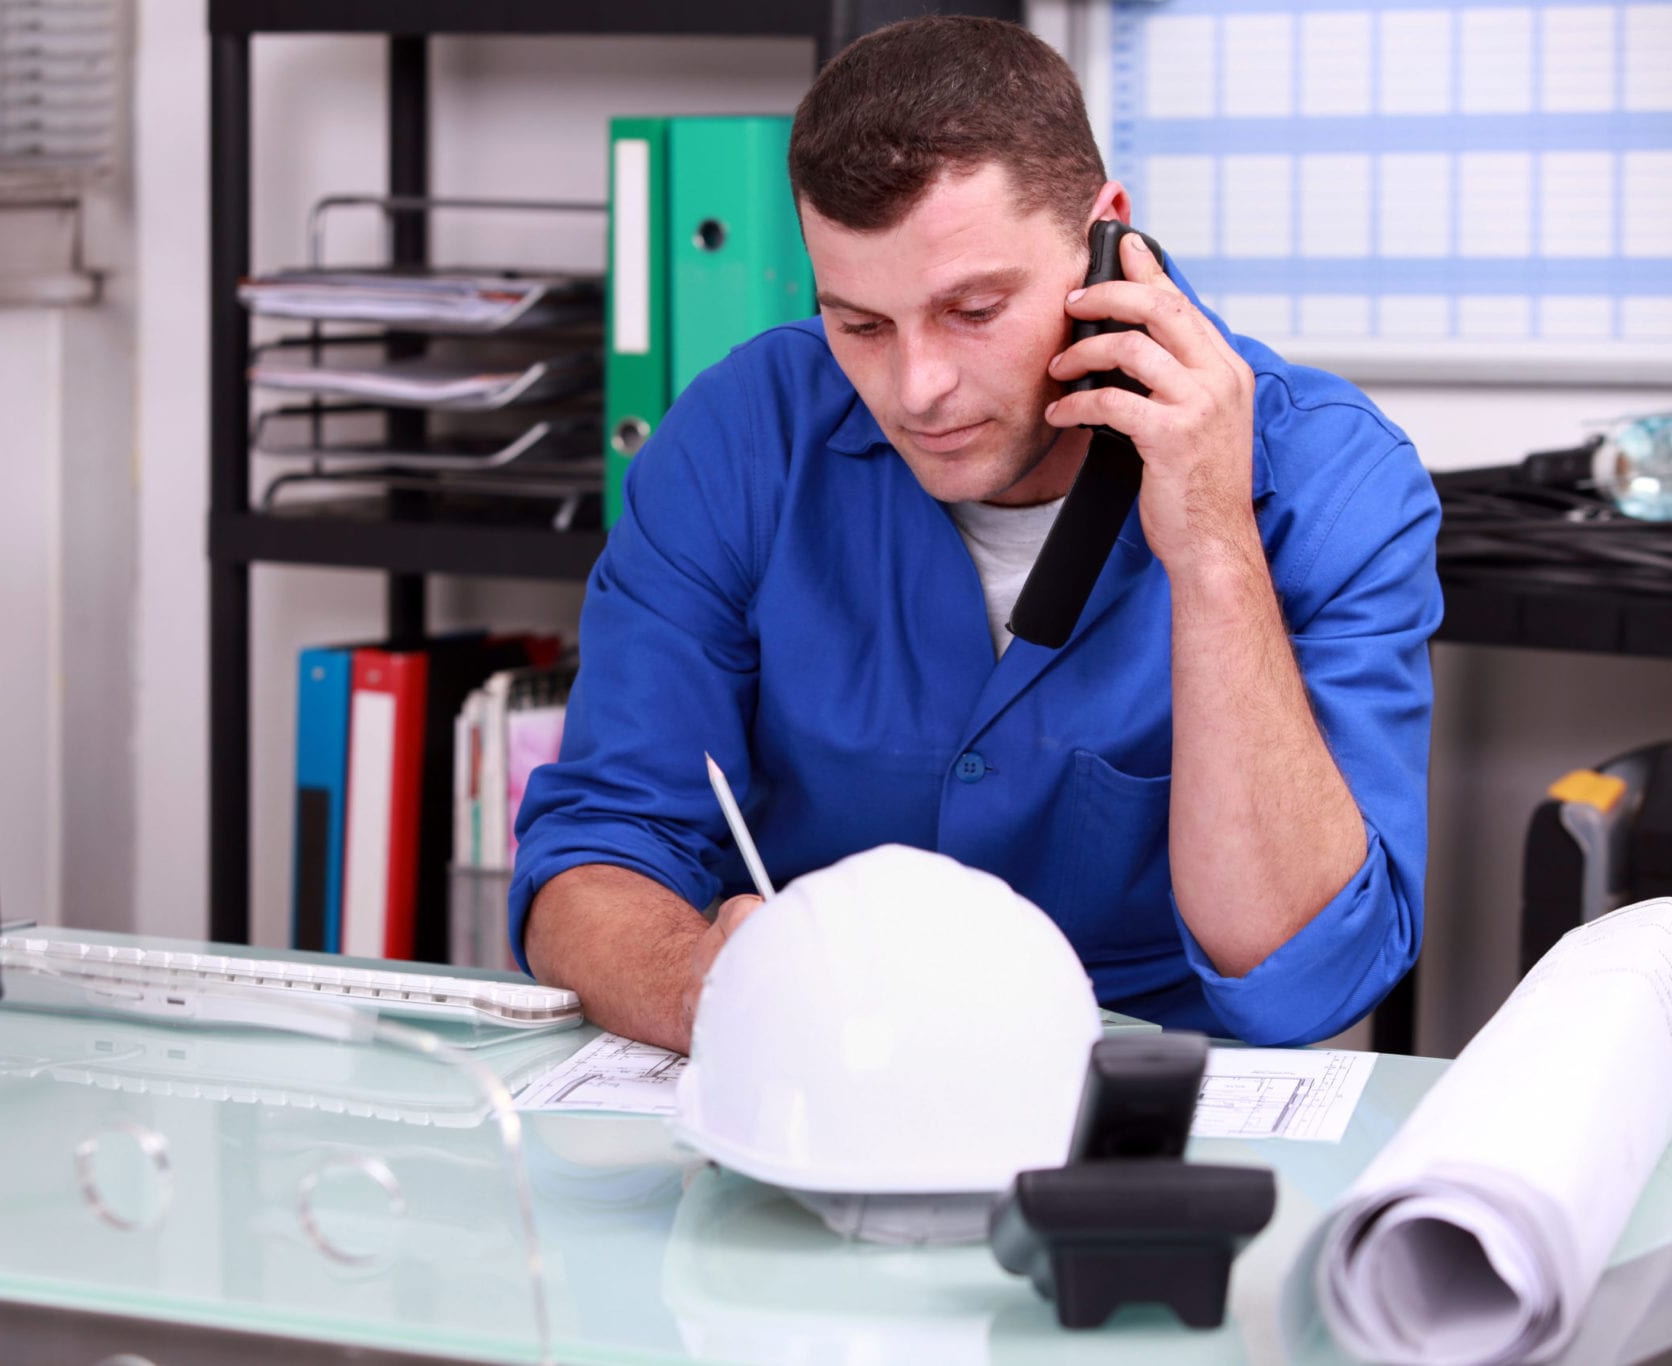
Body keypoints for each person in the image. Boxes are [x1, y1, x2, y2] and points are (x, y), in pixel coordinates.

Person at [510, 16, 1442, 1053]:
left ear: (1107, 240)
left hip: (1143, 1116)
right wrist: (709, 990)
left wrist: (1214, 552)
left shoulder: (1327, 477)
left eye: (972, 309)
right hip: (817, 1082)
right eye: (859, 323)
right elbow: (592, 858)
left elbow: (1304, 980)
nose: (916, 390)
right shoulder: (742, 434)